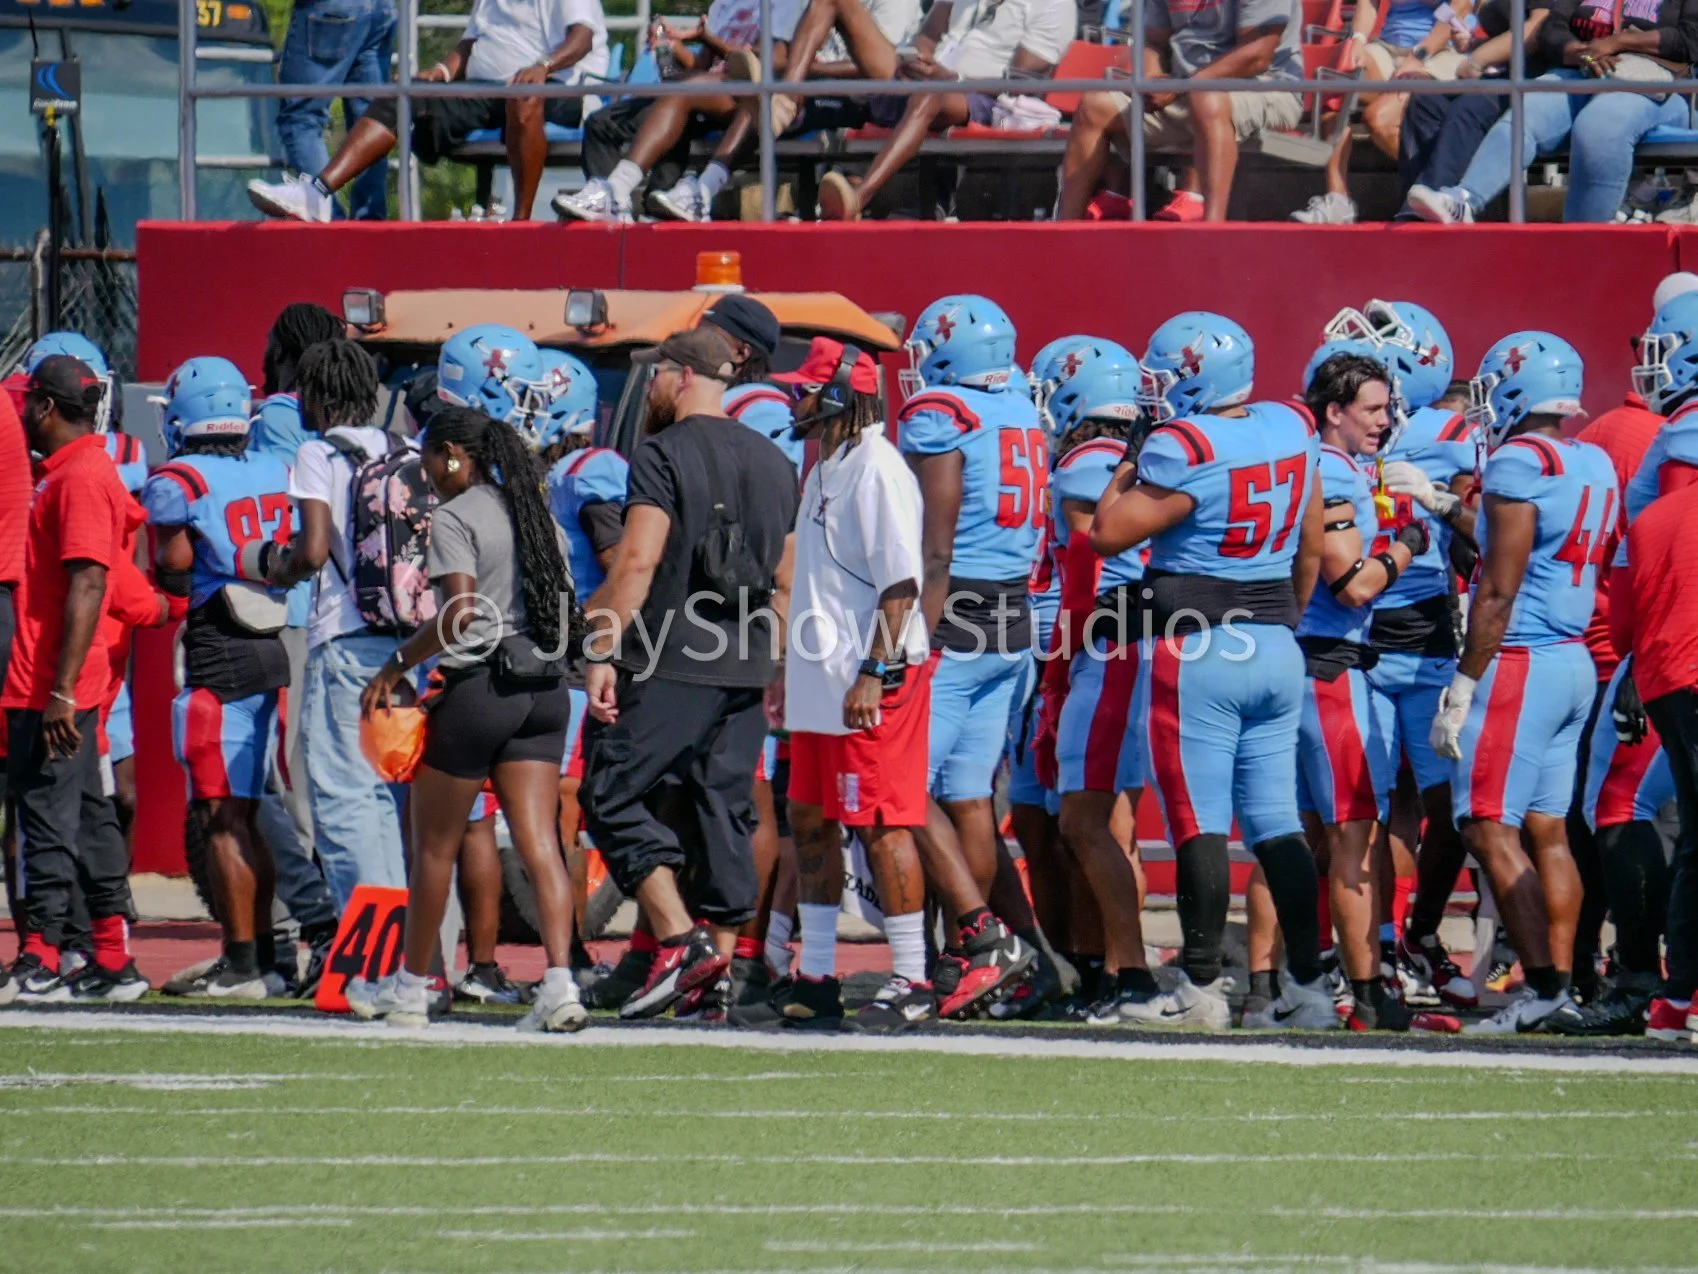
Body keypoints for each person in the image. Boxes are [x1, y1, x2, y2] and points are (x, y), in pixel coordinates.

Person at [1091, 312, 1336, 1031]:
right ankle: (1308, 990)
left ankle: (1199, 988)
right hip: (1276, 641)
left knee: (1198, 822)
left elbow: (1107, 532)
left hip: (1199, 648)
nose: (1154, 390)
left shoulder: (1183, 445)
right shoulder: (1291, 426)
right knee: (1277, 822)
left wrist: (1129, 459)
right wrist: (1281, 619)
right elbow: (1311, 546)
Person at [580, 325, 799, 1019]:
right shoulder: (775, 459)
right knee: (723, 811)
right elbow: (788, 580)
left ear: (681, 377)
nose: (652, 384)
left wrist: (602, 649)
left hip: (671, 656)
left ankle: (681, 943)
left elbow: (638, 561)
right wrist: (773, 662)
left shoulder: (661, 451)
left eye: (657, 373)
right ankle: (717, 979)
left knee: (609, 792)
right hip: (746, 661)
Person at [347, 406, 586, 1031]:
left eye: (429, 457)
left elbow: (459, 613)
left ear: (453, 455)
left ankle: (411, 988)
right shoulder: (537, 514)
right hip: (545, 691)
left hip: (480, 687)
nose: (424, 471)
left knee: (433, 846)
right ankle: (560, 984)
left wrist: (395, 665)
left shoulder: (456, 515)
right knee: (541, 846)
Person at [1430, 331, 1618, 1034]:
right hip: (1571, 658)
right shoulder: (1591, 459)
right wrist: (1448, 508)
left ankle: (1540, 990)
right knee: (1549, 830)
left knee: (1485, 825)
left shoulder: (1519, 461)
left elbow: (1499, 587)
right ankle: (1563, 987)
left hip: (1521, 660)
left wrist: (1465, 681)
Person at [767, 337, 935, 1032]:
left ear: (838, 394)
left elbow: (901, 584)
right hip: (821, 675)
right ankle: (817, 974)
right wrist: (788, 669)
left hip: (872, 676)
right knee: (809, 817)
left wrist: (874, 670)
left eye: (804, 387)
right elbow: (818, 583)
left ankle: (912, 978)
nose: (794, 399)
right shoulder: (824, 466)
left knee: (883, 824)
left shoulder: (878, 469)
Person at [1333, 301, 1480, 1009]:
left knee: (1451, 810)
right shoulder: (1337, 430)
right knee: (1375, 804)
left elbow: (1487, 527)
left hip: (1424, 637)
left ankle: (1418, 932)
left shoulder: (1449, 435)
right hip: (1356, 633)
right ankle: (1385, 945)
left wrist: (1448, 508)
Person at [897, 295, 1040, 1019]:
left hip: (955, 617)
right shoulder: (1020, 408)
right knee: (968, 796)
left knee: (902, 787)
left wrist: (907, 638)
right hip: (1012, 617)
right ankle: (972, 960)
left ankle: (975, 937)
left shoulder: (942, 414)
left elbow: (936, 547)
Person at [1283, 349, 1428, 1032]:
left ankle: (1288, 983)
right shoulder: (1332, 469)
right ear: (1334, 410)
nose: (1384, 420)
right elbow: (1354, 584)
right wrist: (1409, 543)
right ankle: (1366, 991)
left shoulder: (1317, 463)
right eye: (1371, 409)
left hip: (1305, 660)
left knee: (1301, 837)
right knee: (1354, 838)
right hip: (1329, 667)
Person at [143, 358, 296, 999]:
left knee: (220, 816)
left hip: (219, 649)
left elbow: (176, 567)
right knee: (249, 812)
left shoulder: (179, 480)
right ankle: (266, 958)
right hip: (271, 644)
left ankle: (241, 964)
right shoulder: (273, 467)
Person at [0, 357, 144, 1004]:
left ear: (47, 408)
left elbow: (89, 582)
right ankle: (112, 957)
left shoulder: (80, 476)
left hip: (52, 680)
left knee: (45, 816)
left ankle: (45, 955)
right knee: (87, 814)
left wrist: (61, 690)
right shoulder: (74, 469)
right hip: (59, 676)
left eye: (30, 403)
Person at [1033, 340, 1167, 1024]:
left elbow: (1085, 579)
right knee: (1111, 825)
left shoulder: (1088, 463)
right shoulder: (1141, 458)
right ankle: (1110, 972)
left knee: (1086, 823)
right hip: (1134, 642)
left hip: (1108, 647)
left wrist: (1058, 675)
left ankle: (1129, 974)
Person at [264, 339, 410, 908]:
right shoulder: (405, 447)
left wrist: (278, 569)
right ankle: (397, 942)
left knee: (344, 798)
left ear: (317, 397)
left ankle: (369, 945)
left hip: (346, 642)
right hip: (408, 644)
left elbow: (314, 550)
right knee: (385, 800)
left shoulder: (318, 455)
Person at [250, 0, 610, 223]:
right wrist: (440, 73)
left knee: (523, 97)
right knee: (403, 96)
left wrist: (543, 67)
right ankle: (317, 193)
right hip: (490, 90)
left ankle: (521, 220)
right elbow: (471, 44)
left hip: (560, 88)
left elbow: (582, 38)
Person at [1407, 0, 1698, 223]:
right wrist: (1573, 49)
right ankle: (1465, 200)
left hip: (1659, 84)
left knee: (1598, 127)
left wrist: (1619, 42)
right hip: (1584, 70)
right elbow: (1552, 25)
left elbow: (1691, 39)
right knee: (1527, 112)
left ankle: (1585, 243)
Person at [643, 0, 923, 221]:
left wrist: (803, 69)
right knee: (760, 88)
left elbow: (888, 70)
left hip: (860, 95)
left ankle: (703, 190)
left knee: (766, 91)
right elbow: (783, 52)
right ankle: (665, 190)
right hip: (808, 87)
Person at [812, 0, 1077, 221]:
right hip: (926, 83)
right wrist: (917, 60)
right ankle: (790, 98)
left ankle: (859, 197)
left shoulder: (1053, 5)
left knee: (930, 95)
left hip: (986, 99)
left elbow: (1020, 82)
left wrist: (953, 80)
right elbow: (927, 37)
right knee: (836, 2)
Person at [553, 0, 805, 222]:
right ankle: (612, 204)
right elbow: (702, 64)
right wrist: (673, 47)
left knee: (681, 95)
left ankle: (629, 195)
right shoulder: (724, 4)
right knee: (602, 122)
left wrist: (709, 40)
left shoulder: (784, 4)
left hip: (743, 94)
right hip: (705, 91)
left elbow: (771, 61)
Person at [1056, 0, 1302, 223]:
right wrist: (1152, 79)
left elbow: (1258, 55)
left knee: (1206, 98)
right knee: (1095, 105)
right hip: (1188, 90)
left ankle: (1213, 230)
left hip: (1267, 88)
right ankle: (1065, 230)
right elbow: (1153, 42)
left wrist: (1183, 85)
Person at [1607, 480, 1698, 1043]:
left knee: (1695, 841)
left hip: (1663, 680)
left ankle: (1676, 998)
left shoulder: (1650, 517)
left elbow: (1622, 627)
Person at [1292, 0, 1478, 223]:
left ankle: (1440, 187)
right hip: (1388, 47)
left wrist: (1418, 56)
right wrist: (1358, 40)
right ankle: (1338, 199)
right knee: (1336, 83)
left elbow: (1460, 8)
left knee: (1378, 119)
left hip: (1443, 50)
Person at [1394, 0, 1551, 220]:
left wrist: (1478, 59)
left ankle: (1432, 208)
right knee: (1426, 101)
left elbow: (1535, 30)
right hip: (1500, 73)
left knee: (1468, 109)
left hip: (1535, 77)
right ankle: (1416, 202)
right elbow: (1505, 36)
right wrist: (1474, 44)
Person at [275, 0, 398, 222]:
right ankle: (370, 224)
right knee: (373, 121)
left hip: (331, 8)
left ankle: (328, 217)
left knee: (301, 118)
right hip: (383, 7)